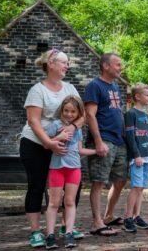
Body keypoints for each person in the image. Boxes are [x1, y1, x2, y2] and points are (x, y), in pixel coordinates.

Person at [19, 49, 84, 248]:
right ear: (51, 63)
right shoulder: (37, 90)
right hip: (35, 144)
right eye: (64, 62)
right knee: (36, 186)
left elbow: (82, 115)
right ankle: (36, 232)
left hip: (63, 145)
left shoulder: (70, 88)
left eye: (68, 63)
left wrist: (71, 127)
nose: (67, 66)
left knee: (73, 186)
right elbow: (33, 120)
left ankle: (66, 226)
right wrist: (49, 143)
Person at [43, 96, 96, 249]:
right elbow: (46, 145)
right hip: (57, 169)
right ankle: (50, 235)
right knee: (53, 203)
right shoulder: (54, 125)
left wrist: (96, 151)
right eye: (66, 110)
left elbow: (79, 150)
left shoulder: (77, 130)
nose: (69, 114)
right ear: (62, 110)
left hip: (74, 169)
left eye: (73, 111)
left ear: (78, 113)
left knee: (70, 202)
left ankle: (69, 232)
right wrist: (58, 137)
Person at [84, 53, 127, 236]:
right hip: (103, 140)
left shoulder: (116, 86)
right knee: (99, 182)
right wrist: (99, 141)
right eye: (117, 64)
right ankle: (97, 223)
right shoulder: (95, 86)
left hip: (119, 140)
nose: (120, 68)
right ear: (105, 66)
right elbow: (90, 115)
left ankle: (108, 215)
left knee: (120, 180)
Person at [123, 83, 148, 233]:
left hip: (147, 157)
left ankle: (137, 216)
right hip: (137, 158)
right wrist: (136, 156)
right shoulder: (131, 114)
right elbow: (130, 137)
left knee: (141, 188)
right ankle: (127, 218)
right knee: (135, 187)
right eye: (147, 95)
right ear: (137, 96)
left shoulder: (146, 116)